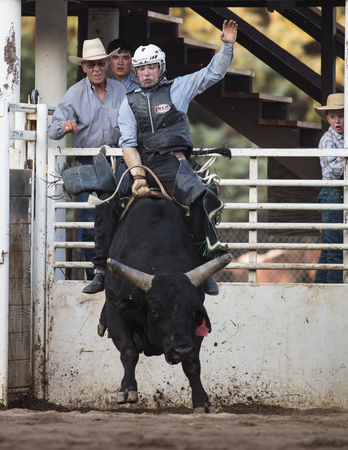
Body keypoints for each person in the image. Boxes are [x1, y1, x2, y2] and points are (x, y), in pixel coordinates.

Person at [89, 19, 238, 304]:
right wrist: (137, 176)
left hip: (172, 162)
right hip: (139, 162)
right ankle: (100, 269)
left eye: (151, 67)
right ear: (136, 71)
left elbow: (214, 72)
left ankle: (203, 266)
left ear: (161, 67)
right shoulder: (128, 101)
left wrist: (227, 45)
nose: (146, 73)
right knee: (106, 202)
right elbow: (128, 143)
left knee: (197, 198)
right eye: (141, 69)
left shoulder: (179, 88)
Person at [47, 37, 126, 289]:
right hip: (88, 162)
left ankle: (117, 274)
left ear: (107, 63)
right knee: (91, 222)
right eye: (91, 64)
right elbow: (52, 130)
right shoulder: (74, 94)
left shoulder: (120, 90)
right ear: (84, 67)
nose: (96, 68)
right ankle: (96, 275)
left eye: (101, 63)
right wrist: (64, 125)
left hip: (117, 161)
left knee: (124, 215)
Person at [314, 93, 344, 284]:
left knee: (329, 246)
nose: (337, 120)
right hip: (332, 193)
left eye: (341, 115)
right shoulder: (328, 140)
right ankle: (335, 290)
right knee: (335, 247)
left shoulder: (343, 138)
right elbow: (335, 170)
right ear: (327, 119)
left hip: (339, 193)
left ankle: (318, 287)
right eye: (333, 116)